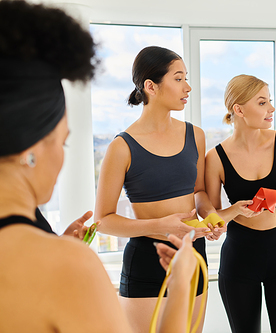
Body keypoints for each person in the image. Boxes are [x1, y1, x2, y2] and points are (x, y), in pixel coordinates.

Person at [0, 1, 197, 332]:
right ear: (31, 149)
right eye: (63, 142)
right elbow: (102, 220)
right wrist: (179, 285)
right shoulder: (68, 264)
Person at [95, 46, 217, 333]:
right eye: (178, 79)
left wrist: (210, 216)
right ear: (151, 86)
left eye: (186, 78)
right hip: (147, 260)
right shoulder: (121, 147)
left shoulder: (195, 135)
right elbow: (103, 220)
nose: (187, 87)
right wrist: (163, 225)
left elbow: (199, 192)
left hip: (192, 253)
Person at [205, 74, 276, 333]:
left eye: (270, 101)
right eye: (263, 102)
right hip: (239, 257)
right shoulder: (215, 157)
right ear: (239, 109)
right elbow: (210, 216)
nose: (272, 109)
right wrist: (233, 211)